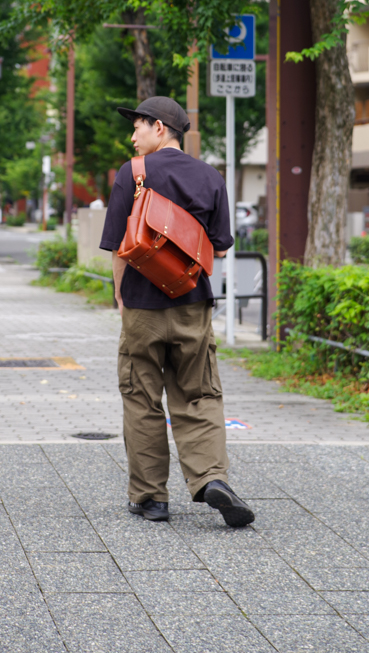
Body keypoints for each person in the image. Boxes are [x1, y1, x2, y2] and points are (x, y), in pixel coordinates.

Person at [100, 96, 255, 528]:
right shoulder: (211, 177)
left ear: (161, 128)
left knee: (142, 399)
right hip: (192, 304)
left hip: (142, 308)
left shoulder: (131, 175)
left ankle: (151, 499)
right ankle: (211, 479)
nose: (132, 136)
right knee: (200, 394)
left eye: (138, 127)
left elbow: (118, 248)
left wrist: (121, 297)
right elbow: (220, 245)